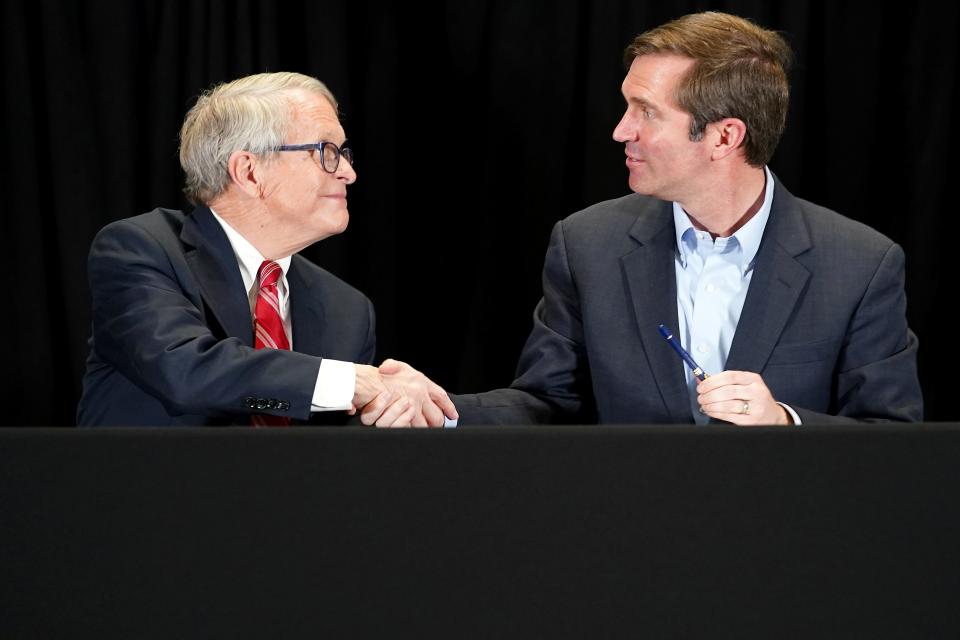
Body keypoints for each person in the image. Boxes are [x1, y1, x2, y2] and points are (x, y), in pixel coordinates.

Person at [453, 11, 922, 425]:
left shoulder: (861, 265)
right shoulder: (585, 245)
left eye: (647, 112)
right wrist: (441, 411)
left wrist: (784, 422)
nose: (621, 131)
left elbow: (892, 440)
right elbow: (546, 404)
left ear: (724, 137)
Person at [77, 72, 456, 427]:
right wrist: (349, 382)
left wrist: (397, 407)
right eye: (326, 151)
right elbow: (184, 372)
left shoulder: (347, 309)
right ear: (249, 171)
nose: (348, 172)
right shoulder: (141, 249)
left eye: (344, 152)